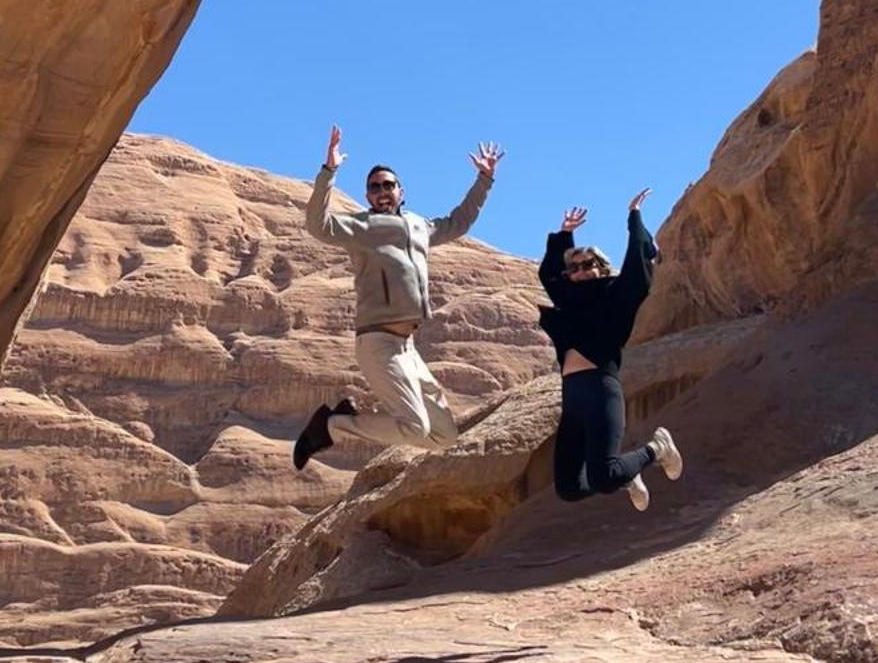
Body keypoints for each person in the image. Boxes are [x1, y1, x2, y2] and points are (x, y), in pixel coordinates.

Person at [292, 124, 504, 470]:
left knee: (444, 435)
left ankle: (345, 419)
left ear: (401, 192)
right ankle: (331, 426)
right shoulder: (361, 228)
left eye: (388, 185)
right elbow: (318, 225)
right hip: (378, 343)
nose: (381, 192)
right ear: (367, 197)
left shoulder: (420, 226)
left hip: (407, 348)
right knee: (415, 426)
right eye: (374, 188)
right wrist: (328, 172)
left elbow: (460, 221)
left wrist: (484, 180)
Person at [537, 192, 683, 511]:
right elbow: (549, 275)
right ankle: (628, 476)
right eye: (573, 268)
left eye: (586, 264)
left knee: (604, 477)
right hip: (572, 396)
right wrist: (564, 235)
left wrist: (634, 218)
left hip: (601, 389)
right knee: (570, 488)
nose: (577, 271)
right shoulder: (569, 300)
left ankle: (657, 450)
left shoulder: (615, 295)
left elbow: (637, 270)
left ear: (602, 268)